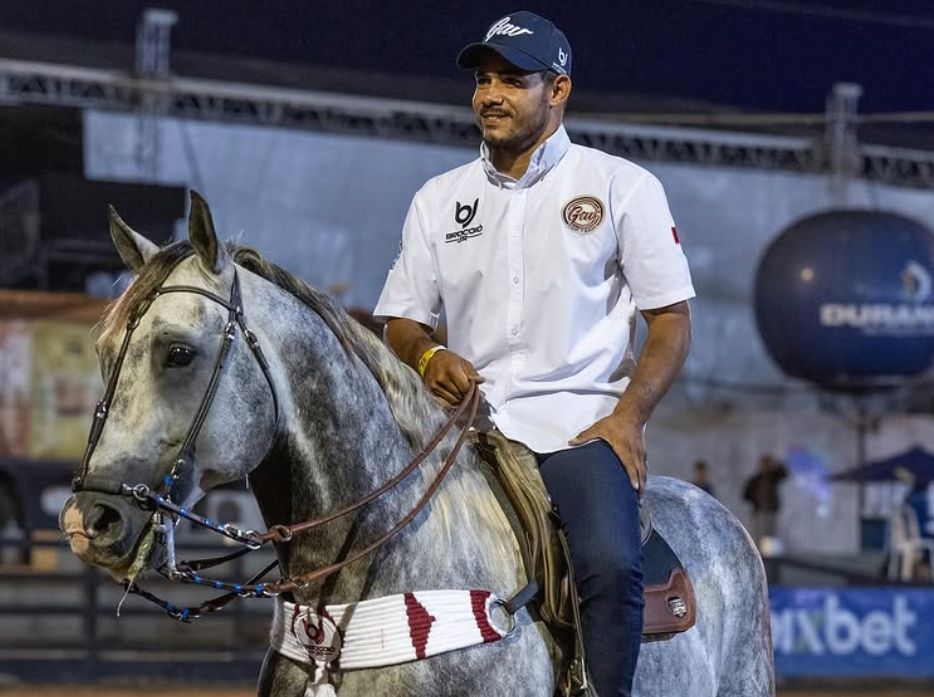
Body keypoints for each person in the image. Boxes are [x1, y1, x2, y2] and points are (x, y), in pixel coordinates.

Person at [374, 11, 694, 696]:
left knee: (609, 565)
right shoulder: (438, 201)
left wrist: (628, 418)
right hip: (465, 435)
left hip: (579, 430)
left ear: (559, 90)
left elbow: (671, 320)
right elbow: (401, 321)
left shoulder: (621, 187)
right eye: (483, 80)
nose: (490, 94)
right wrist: (429, 357)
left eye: (512, 80)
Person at [742, 454, 788, 548]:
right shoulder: (756, 479)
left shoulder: (773, 477)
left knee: (771, 535)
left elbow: (784, 474)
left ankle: (770, 556)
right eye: (764, 463)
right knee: (758, 535)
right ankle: (760, 555)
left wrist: (776, 465)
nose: (766, 466)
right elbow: (746, 495)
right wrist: (755, 499)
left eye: (768, 463)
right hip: (759, 511)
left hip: (771, 510)